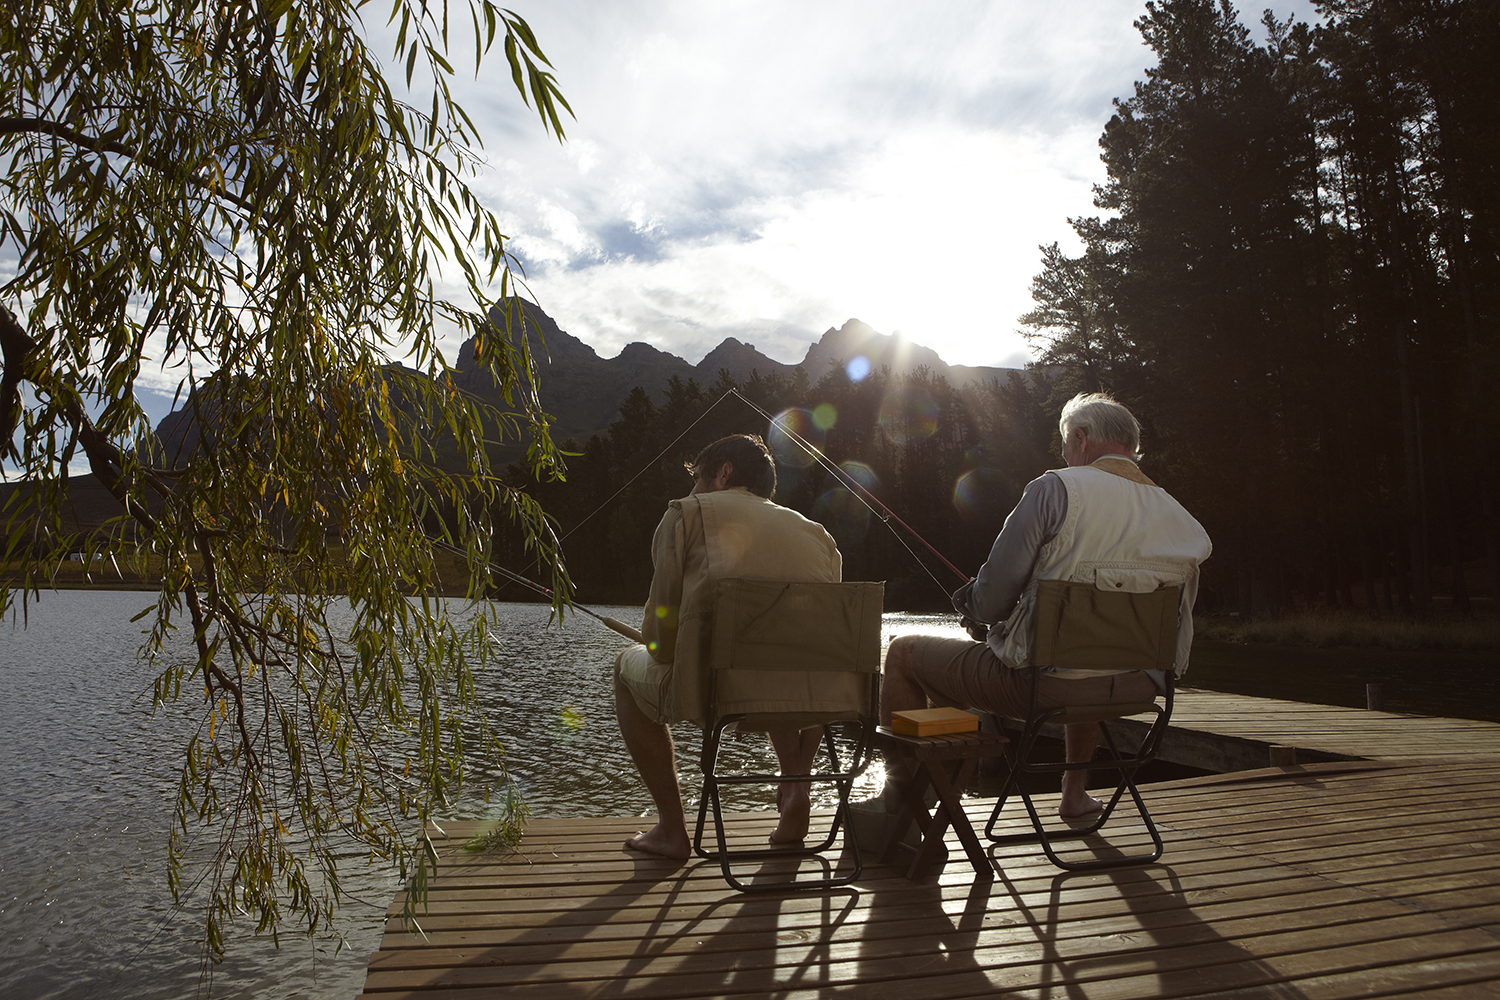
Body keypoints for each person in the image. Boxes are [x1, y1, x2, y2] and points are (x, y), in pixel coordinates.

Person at [878, 392, 1212, 820]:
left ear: (1081, 437)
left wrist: (975, 610)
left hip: (1044, 688)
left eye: (1066, 444)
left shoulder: (1054, 489)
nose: (1065, 453)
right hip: (1140, 688)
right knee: (1090, 653)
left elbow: (993, 597)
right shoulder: (1181, 519)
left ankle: (903, 807)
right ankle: (1073, 793)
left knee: (903, 652)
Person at [615, 433, 842, 860]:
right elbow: (824, 650)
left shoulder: (686, 514)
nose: (693, 489)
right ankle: (796, 782)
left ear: (722, 473)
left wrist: (656, 644)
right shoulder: (818, 535)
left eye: (697, 478)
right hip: (814, 697)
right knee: (781, 660)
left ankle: (671, 831)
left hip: (716, 692)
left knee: (624, 671)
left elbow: (661, 643)